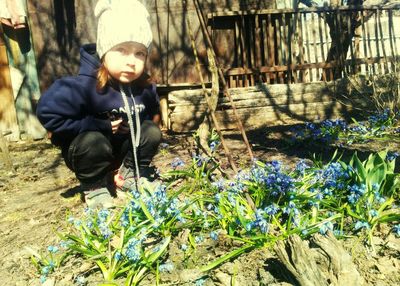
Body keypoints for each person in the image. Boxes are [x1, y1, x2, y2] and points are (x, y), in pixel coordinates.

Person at [36, 0, 162, 209]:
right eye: (121, 50)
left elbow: (150, 114)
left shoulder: (144, 87)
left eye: (140, 53)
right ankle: (94, 187)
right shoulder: (82, 87)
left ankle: (129, 176)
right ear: (104, 50)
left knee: (151, 130)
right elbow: (48, 113)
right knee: (93, 141)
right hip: (88, 152)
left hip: (121, 152)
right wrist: (95, 124)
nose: (131, 61)